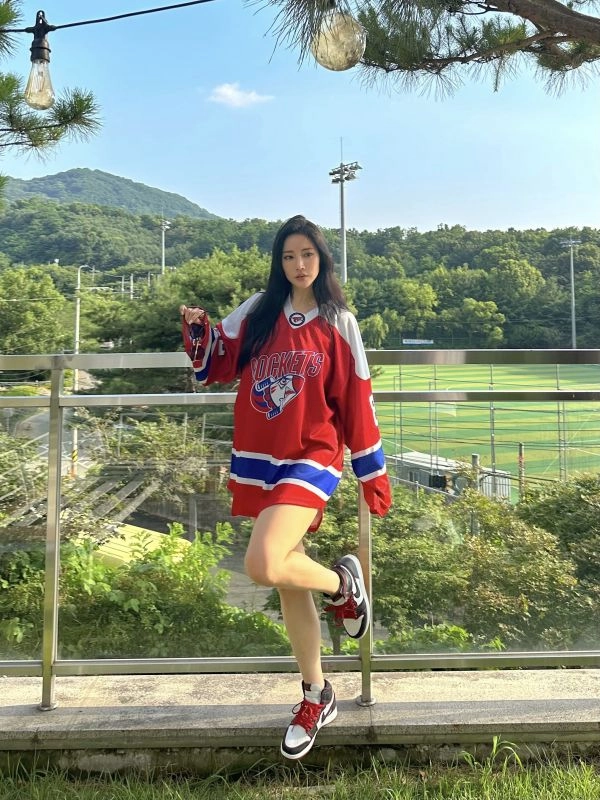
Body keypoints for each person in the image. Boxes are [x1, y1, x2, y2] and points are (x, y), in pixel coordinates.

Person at [180, 214, 391, 760]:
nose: (299, 265)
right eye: (289, 256)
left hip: (314, 455)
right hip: (262, 457)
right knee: (285, 576)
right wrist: (201, 331)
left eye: (308, 255)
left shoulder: (339, 321)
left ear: (323, 259)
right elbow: (219, 363)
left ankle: (343, 586)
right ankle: (317, 694)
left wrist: (372, 472)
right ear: (279, 262)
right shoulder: (260, 309)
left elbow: (357, 397)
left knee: (262, 563)